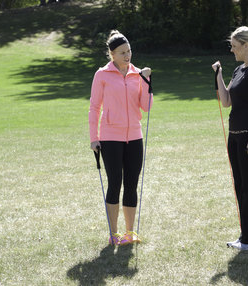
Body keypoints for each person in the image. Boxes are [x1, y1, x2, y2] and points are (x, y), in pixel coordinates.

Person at [89, 30, 153, 245]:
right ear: (112, 54)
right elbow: (94, 107)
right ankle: (114, 233)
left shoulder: (138, 74)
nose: (127, 56)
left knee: (132, 184)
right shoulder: (102, 75)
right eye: (122, 52)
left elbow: (146, 106)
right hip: (110, 138)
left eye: (129, 51)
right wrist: (93, 137)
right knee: (115, 182)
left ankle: (129, 232)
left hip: (134, 136)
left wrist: (146, 81)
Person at [212, 26, 248, 250]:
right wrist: (219, 75)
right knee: (240, 186)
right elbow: (226, 101)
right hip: (235, 137)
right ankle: (247, 236)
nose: (232, 50)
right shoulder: (238, 70)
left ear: (246, 46)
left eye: (235, 46)